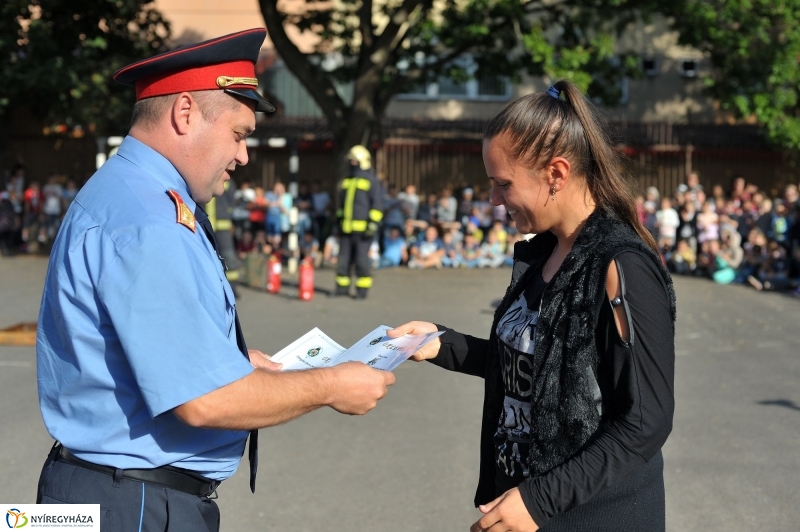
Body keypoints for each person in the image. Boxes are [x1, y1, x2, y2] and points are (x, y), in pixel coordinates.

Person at [35, 28, 394, 531]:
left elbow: (130, 341)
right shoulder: (150, 220)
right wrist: (333, 385)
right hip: (135, 504)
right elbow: (204, 402)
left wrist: (225, 359)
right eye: (239, 134)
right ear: (185, 114)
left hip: (102, 492)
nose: (244, 155)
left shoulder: (128, 192)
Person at [390, 81, 676, 532]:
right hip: (525, 505)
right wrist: (440, 343)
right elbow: (539, 372)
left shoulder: (621, 266)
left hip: (593, 514)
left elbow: (644, 421)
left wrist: (540, 500)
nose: (493, 200)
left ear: (556, 175)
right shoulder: (543, 250)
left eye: (503, 184)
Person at [333, 145, 383, 299]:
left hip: (363, 231)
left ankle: (362, 291)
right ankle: (342, 288)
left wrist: (372, 224)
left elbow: (377, 205)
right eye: (351, 160)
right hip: (346, 229)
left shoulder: (371, 180)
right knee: (343, 260)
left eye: (355, 160)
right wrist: (338, 222)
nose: (352, 162)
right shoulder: (347, 180)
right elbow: (342, 205)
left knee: (361, 261)